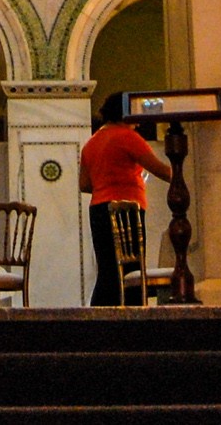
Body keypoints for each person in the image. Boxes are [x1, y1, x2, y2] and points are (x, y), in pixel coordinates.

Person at [77, 92, 172, 307]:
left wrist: (106, 182)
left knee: (107, 271)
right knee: (132, 270)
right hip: (126, 211)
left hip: (99, 210)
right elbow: (160, 170)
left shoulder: (92, 143)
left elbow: (84, 185)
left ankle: (98, 318)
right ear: (125, 113)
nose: (138, 124)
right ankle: (133, 317)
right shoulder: (127, 137)